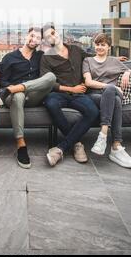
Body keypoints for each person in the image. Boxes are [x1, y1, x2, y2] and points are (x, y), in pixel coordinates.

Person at [40, 24, 99, 167]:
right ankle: (77, 144)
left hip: (79, 95)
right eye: (48, 36)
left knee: (93, 112)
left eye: (53, 33)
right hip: (59, 94)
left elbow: (94, 59)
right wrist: (71, 89)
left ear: (58, 32)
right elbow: (46, 81)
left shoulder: (76, 50)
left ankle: (61, 148)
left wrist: (116, 61)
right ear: (46, 41)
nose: (52, 36)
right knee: (50, 103)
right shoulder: (46, 58)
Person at [0, 27, 56, 169]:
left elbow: (60, 55)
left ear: (40, 41)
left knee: (51, 77)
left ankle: (20, 88)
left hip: (33, 96)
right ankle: (21, 144)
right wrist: (15, 89)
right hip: (12, 96)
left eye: (37, 37)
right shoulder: (9, 58)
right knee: (18, 95)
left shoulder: (41, 56)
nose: (33, 39)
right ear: (26, 36)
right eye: (32, 35)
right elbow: (3, 83)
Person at [82, 33, 131, 168]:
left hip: (111, 96)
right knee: (113, 93)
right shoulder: (88, 61)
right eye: (97, 44)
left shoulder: (114, 61)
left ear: (109, 47)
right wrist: (110, 86)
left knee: (113, 96)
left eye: (103, 45)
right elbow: (88, 82)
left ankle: (103, 136)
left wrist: (127, 72)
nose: (99, 47)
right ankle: (116, 146)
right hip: (94, 95)